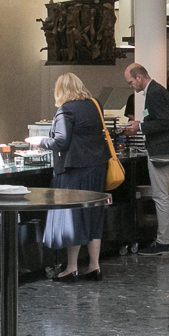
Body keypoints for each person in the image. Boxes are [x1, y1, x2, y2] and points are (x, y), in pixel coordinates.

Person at [44, 72, 109, 281]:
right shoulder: (95, 105)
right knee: (94, 214)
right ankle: (94, 266)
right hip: (97, 168)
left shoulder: (65, 110)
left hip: (74, 170)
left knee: (73, 217)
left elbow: (61, 142)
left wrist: (39, 142)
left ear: (60, 90)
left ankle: (71, 268)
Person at [119, 62, 169, 254]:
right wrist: (141, 123)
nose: (131, 86)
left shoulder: (154, 92)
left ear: (139, 77)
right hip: (161, 148)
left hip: (161, 150)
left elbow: (166, 122)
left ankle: (163, 242)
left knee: (160, 195)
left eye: (131, 82)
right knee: (161, 195)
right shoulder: (155, 91)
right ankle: (163, 240)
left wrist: (140, 126)